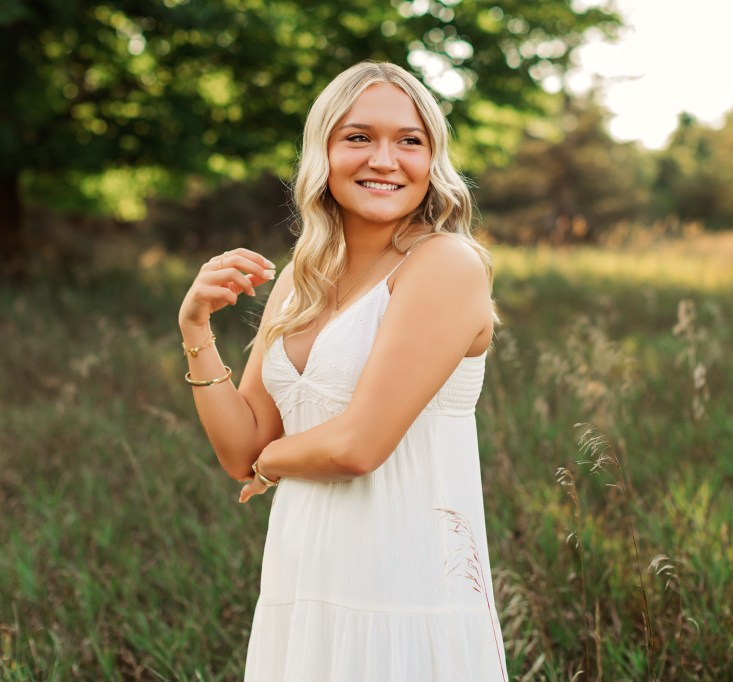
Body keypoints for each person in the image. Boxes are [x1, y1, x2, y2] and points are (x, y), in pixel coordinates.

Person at [177, 61, 507, 681]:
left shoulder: (444, 264)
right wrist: (196, 330)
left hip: (403, 593)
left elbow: (357, 448)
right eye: (359, 137)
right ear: (322, 152)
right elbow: (239, 448)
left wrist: (270, 464)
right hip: (303, 584)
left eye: (410, 141)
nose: (386, 159)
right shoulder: (299, 282)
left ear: (432, 160)